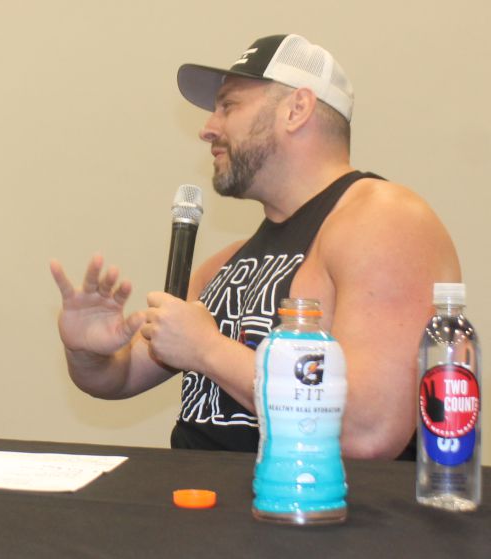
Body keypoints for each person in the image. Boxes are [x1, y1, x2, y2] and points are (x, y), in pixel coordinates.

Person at [50, 34, 460, 459]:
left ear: (297, 109)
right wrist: (86, 351)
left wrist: (208, 350)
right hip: (194, 513)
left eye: (229, 106)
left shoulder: (385, 220)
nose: (208, 128)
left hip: (304, 516)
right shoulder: (221, 265)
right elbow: (116, 379)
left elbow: (367, 430)